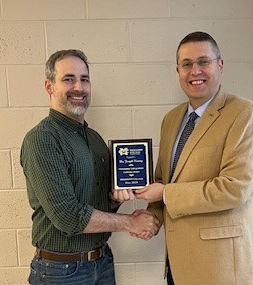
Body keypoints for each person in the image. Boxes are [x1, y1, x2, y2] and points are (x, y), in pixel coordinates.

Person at [134, 32, 253, 285]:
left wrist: (163, 194)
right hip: (177, 266)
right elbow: (163, 180)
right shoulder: (171, 120)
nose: (195, 71)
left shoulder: (245, 114)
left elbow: (234, 189)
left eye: (203, 62)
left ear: (220, 65)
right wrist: (152, 218)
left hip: (221, 269)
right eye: (186, 64)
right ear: (178, 71)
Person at [20, 49, 159, 285]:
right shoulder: (42, 139)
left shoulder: (94, 139)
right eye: (68, 79)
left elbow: (98, 205)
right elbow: (68, 217)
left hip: (102, 262)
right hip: (60, 272)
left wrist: (116, 199)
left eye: (84, 79)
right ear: (49, 86)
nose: (79, 87)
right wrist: (131, 222)